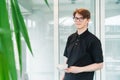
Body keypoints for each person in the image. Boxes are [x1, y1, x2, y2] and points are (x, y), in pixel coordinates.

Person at [62, 8, 104, 80]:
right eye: (76, 18)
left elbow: (100, 65)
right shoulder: (70, 38)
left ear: (87, 20)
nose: (78, 21)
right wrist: (63, 77)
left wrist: (80, 69)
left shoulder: (94, 40)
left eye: (81, 18)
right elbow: (68, 59)